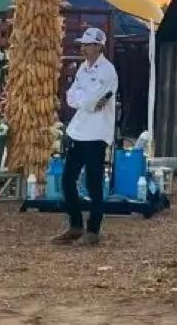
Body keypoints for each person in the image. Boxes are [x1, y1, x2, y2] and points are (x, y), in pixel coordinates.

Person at [52, 27, 118, 246]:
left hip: (97, 134)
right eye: (83, 44)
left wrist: (85, 99)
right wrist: (86, 100)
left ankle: (93, 230)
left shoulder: (108, 71)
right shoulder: (83, 68)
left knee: (93, 183)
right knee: (68, 179)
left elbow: (95, 99)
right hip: (79, 131)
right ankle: (75, 225)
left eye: (88, 45)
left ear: (99, 46)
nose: (84, 48)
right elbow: (72, 98)